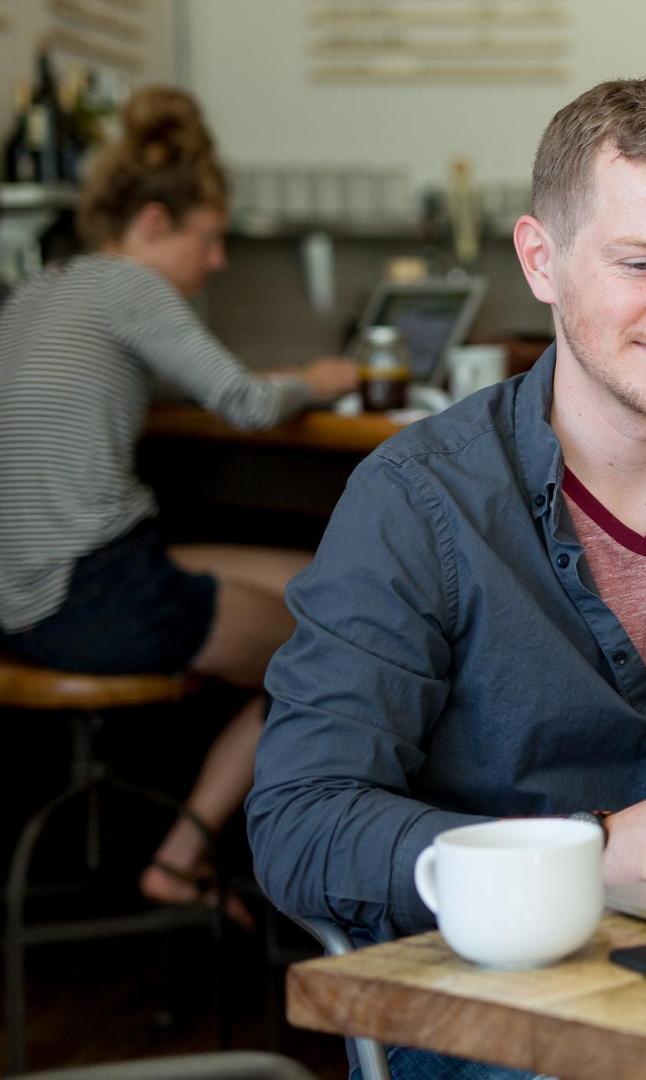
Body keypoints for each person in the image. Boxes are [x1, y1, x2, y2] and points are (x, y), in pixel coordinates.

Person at [247, 77, 646, 1077]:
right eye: (641, 264)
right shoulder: (416, 501)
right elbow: (300, 828)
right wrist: (591, 854)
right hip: (505, 1025)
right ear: (540, 260)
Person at [0, 86, 358, 925]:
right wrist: (323, 380)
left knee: (323, 580)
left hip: (26, 594)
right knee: (338, 638)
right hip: (91, 596)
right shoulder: (133, 287)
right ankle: (182, 856)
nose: (220, 259)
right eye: (210, 236)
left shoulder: (43, 290)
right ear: (156, 221)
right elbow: (241, 399)